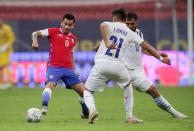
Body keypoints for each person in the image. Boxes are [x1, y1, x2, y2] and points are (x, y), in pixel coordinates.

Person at [84, 8, 170, 124]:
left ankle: (92, 110)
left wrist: (107, 43)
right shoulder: (130, 32)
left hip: (101, 64)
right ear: (125, 20)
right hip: (118, 67)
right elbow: (147, 47)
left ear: (114, 18)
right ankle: (129, 116)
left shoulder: (109, 26)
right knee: (128, 85)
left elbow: (102, 25)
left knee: (87, 91)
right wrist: (161, 58)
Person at [123, 12, 187, 122]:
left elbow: (144, 49)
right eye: (127, 24)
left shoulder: (139, 33)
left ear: (136, 22)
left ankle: (174, 113)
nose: (129, 26)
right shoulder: (122, 34)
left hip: (138, 71)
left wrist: (158, 54)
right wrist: (161, 59)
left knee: (153, 90)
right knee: (127, 90)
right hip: (125, 70)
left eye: (131, 24)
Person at [31, 13, 89, 119]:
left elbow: (71, 54)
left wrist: (74, 69)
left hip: (68, 69)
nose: (67, 26)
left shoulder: (73, 39)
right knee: (50, 85)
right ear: (61, 23)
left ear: (73, 26)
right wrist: (35, 41)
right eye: (65, 24)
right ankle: (44, 107)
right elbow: (36, 33)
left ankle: (85, 112)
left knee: (83, 92)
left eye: (69, 25)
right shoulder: (52, 31)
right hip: (54, 67)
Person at [0, 18, 15, 89]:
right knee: (2, 66)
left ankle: (7, 81)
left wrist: (6, 46)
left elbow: (12, 38)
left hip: (6, 50)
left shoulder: (6, 28)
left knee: (4, 65)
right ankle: (2, 82)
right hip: (0, 50)